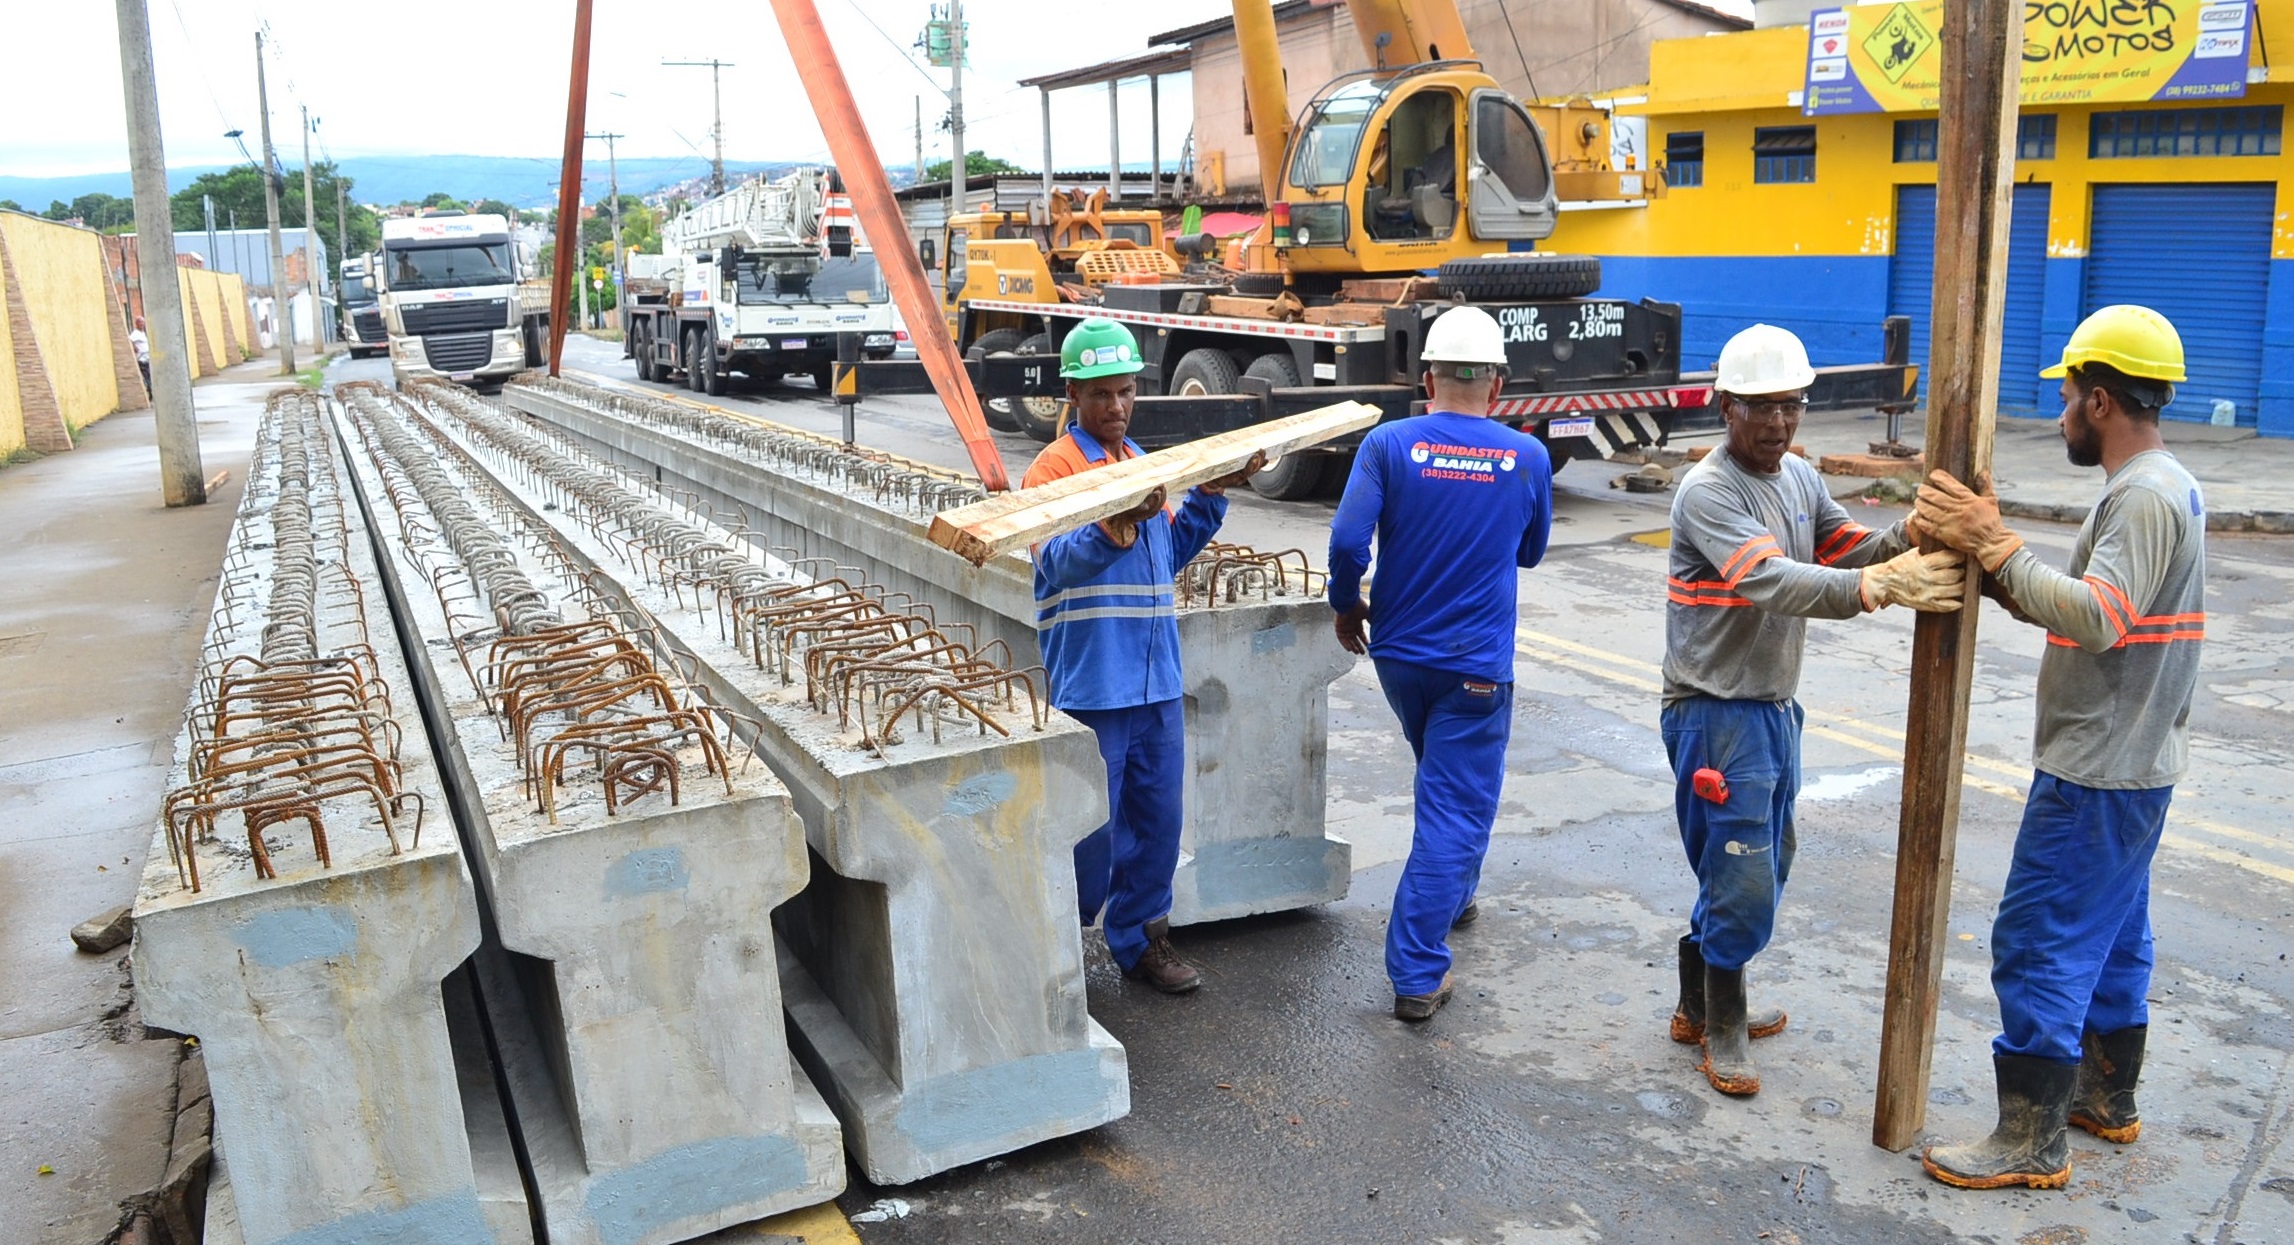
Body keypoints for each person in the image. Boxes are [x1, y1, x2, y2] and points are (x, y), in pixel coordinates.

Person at [1918, 305, 2205, 1190]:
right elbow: (2086, 605)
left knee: (2038, 937)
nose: (2062, 412)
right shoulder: (2160, 484)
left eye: (2072, 396)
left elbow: (2100, 615)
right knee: (2113, 935)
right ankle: (2104, 1096)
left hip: (2098, 768)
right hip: (2133, 763)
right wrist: (2000, 568)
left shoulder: (2145, 496)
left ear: (2104, 401)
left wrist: (1996, 544)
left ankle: (2031, 1138)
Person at [1662, 323, 1965, 1096]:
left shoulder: (1796, 477)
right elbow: (1769, 578)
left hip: (1769, 708)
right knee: (1743, 875)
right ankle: (1723, 1024)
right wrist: (1880, 590)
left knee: (1767, 860)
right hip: (1714, 712)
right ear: (1723, 406)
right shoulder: (1710, 491)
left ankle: (1698, 997)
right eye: (1760, 408)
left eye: (1791, 406)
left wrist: (1908, 536)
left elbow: (1842, 545)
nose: (1778, 424)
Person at [1326, 304, 1553, 1022]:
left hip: (1398, 658)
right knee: (1456, 807)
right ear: (1499, 384)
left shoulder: (1389, 444)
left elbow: (1346, 540)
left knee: (1442, 782)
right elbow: (1531, 550)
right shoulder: (1526, 456)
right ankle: (1418, 970)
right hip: (1476, 668)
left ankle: (1451, 890)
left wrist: (1344, 603)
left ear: (1426, 377)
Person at [1026, 317, 1261, 994]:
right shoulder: (1055, 471)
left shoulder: (1137, 461)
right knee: (1089, 834)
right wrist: (1110, 530)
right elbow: (1056, 565)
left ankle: (1140, 942)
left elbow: (1167, 557)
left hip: (1156, 681)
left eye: (1126, 392)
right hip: (1096, 684)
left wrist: (1209, 496)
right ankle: (1059, 952)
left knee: (1157, 823)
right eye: (1102, 395)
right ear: (1073, 392)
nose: (1117, 407)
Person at [130, 316, 150, 393]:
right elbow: (129, 340)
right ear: (137, 324)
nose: (142, 324)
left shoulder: (142, 333)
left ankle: (150, 391)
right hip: (142, 359)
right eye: (140, 323)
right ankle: (149, 391)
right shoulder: (135, 333)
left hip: (147, 358)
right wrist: (134, 347)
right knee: (147, 377)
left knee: (149, 376)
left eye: (143, 323)